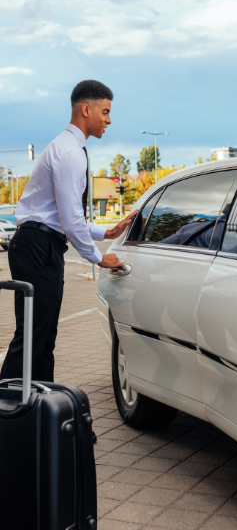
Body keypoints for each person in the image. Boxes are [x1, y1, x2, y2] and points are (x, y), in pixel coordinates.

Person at [0, 80, 136, 383]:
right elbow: (71, 219)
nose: (109, 120)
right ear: (85, 109)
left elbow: (65, 216)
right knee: (33, 335)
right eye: (105, 111)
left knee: (44, 335)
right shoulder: (69, 153)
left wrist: (107, 232)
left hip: (40, 243)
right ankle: (8, 412)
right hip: (38, 246)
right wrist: (98, 258)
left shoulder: (69, 149)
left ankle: (37, 409)